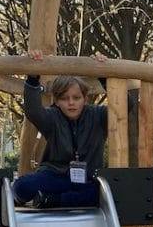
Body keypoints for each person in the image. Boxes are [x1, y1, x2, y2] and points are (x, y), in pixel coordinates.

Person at [12, 51, 108, 208]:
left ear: (85, 98)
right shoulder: (52, 117)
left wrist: (104, 75)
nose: (71, 103)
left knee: (104, 192)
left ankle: (52, 200)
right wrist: (33, 79)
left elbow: (125, 107)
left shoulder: (98, 115)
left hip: (87, 178)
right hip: (56, 176)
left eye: (76, 98)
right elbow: (33, 111)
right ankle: (50, 197)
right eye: (64, 98)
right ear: (56, 101)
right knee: (23, 185)